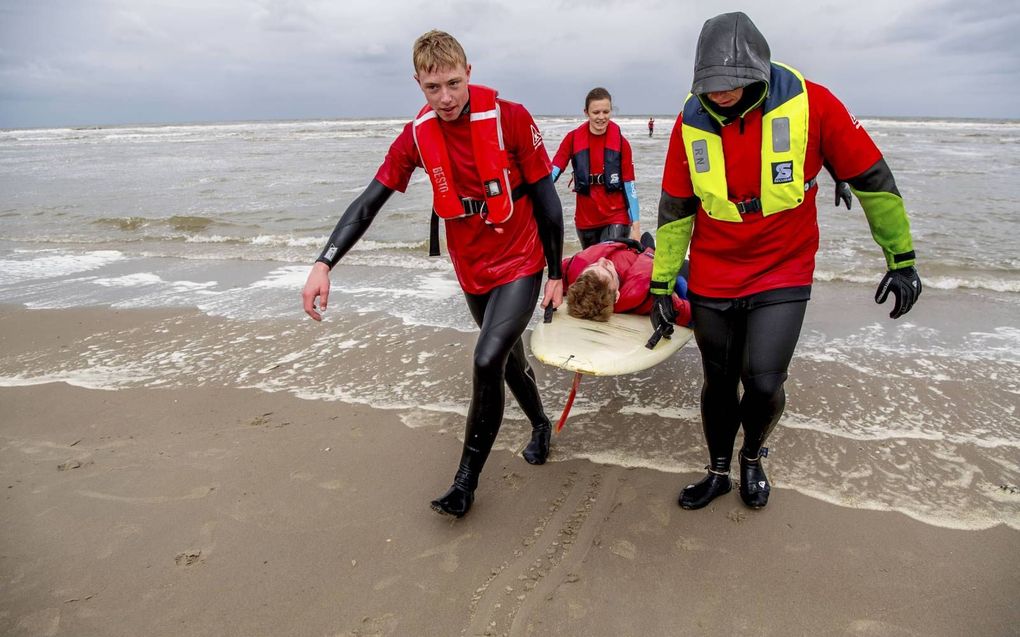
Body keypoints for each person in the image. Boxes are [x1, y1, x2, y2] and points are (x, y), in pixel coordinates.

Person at [650, 12, 922, 511]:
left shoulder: (812, 102)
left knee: (764, 381)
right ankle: (717, 472)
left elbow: (872, 178)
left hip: (783, 264)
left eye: (731, 83)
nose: (721, 93)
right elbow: (674, 209)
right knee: (718, 381)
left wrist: (900, 259)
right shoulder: (689, 119)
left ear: (759, 66)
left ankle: (751, 457)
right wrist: (662, 285)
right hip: (714, 269)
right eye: (711, 85)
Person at [301, 30, 564, 519]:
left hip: (522, 259)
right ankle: (542, 423)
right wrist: (324, 262)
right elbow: (369, 202)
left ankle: (465, 481)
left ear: (470, 73)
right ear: (418, 82)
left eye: (454, 83)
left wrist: (555, 271)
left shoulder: (510, 118)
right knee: (507, 361)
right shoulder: (418, 134)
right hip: (473, 269)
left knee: (486, 359)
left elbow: (547, 200)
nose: (445, 98)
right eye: (432, 87)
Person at [551, 87, 641, 248]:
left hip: (616, 216)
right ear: (586, 112)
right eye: (596, 112)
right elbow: (553, 171)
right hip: (585, 221)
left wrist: (636, 227)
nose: (601, 117)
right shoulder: (572, 139)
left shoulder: (622, 144)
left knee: (609, 264)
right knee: (593, 269)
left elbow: (630, 186)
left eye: (606, 112)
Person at [562, 237, 691, 326]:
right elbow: (688, 312)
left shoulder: (575, 275)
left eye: (593, 265)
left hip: (635, 249)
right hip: (661, 263)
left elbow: (556, 276)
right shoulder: (647, 297)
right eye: (607, 269)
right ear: (617, 295)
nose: (602, 259)